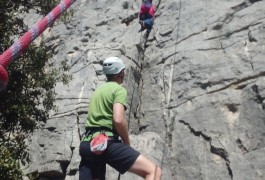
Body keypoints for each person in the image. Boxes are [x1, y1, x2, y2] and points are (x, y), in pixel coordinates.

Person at [79, 56, 162, 180]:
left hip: (87, 145)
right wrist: (126, 142)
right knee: (153, 171)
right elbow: (118, 119)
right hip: (105, 143)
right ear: (121, 72)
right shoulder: (119, 90)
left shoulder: (98, 90)